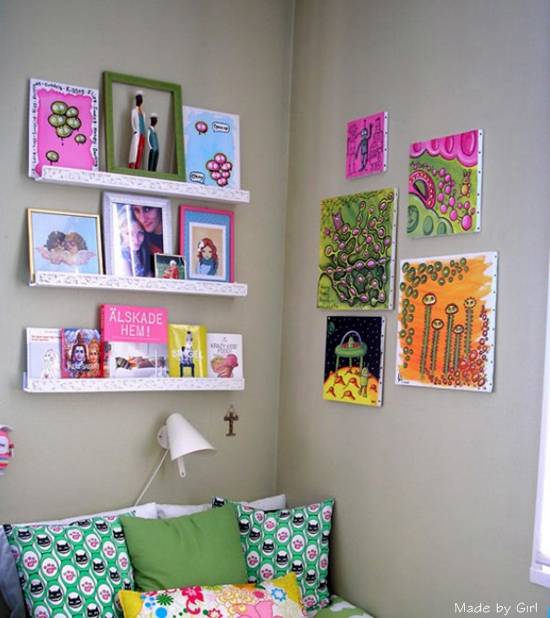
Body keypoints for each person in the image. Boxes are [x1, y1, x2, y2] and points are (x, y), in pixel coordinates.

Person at [118, 212, 151, 277]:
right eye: (129, 234)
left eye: (140, 233)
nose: (136, 240)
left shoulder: (143, 251)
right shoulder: (122, 256)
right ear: (121, 235)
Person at [128, 90, 145, 169]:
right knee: (135, 149)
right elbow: (132, 121)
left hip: (142, 133)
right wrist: (134, 130)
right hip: (137, 133)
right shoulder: (134, 111)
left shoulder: (143, 113)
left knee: (140, 150)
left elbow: (143, 122)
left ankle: (138, 165)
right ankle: (132, 164)